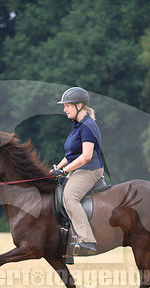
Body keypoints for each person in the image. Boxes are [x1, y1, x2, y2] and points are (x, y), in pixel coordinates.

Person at [51, 86, 104, 255]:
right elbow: (72, 155)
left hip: (90, 170)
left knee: (69, 196)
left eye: (67, 105)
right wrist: (56, 169)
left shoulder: (89, 125)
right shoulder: (77, 126)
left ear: (79, 105)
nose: (64, 109)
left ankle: (87, 240)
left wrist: (65, 171)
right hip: (79, 168)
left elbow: (86, 156)